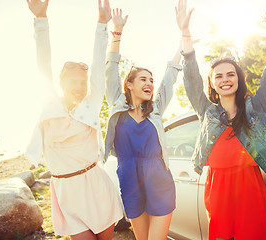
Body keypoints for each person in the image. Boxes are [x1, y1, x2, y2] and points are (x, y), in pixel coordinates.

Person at [175, 0, 266, 239]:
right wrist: (185, 34)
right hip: (217, 189)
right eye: (218, 76)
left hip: (250, 189)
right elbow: (191, 79)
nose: (225, 79)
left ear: (238, 79)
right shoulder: (207, 112)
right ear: (212, 83)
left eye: (230, 74)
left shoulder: (256, 107)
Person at [24, 0, 123, 239]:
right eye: (73, 82)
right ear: (61, 82)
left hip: (96, 185)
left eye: (83, 82)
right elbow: (43, 63)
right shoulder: (49, 105)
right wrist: (41, 20)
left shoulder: (89, 107)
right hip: (66, 191)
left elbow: (99, 66)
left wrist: (102, 24)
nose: (79, 87)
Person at [103, 9, 182, 240]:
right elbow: (110, 69)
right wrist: (116, 33)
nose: (149, 83)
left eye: (151, 80)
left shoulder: (156, 109)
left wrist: (182, 46)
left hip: (159, 179)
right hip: (129, 179)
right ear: (129, 85)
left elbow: (170, 76)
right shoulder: (117, 107)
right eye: (143, 79)